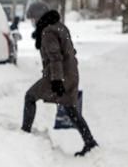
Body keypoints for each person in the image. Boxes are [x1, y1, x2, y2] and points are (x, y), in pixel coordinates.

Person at [21, 10, 97, 156]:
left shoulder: (48, 32)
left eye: (33, 19)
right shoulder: (60, 27)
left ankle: (25, 133)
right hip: (71, 74)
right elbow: (71, 52)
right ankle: (90, 141)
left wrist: (57, 81)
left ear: (39, 18)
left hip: (58, 76)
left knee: (30, 96)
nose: (32, 22)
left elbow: (56, 58)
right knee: (70, 109)